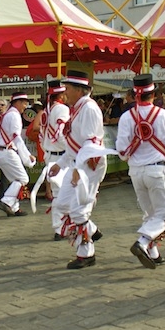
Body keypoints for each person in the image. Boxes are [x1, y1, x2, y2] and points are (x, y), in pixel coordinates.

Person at [116, 74, 165, 269]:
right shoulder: (164, 115)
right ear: (154, 94)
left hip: (135, 172)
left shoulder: (126, 117)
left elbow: (122, 153)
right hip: (156, 171)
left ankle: (154, 253)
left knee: (150, 213)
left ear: (135, 95)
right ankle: (142, 242)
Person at [48, 71, 107, 270]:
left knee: (78, 210)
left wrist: (79, 169)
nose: (65, 93)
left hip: (89, 165)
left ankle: (86, 253)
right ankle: (91, 230)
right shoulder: (76, 109)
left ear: (79, 90)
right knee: (62, 205)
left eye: (68, 89)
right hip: (77, 163)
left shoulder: (89, 109)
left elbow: (91, 143)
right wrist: (61, 164)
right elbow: (74, 145)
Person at [0, 92, 35, 216]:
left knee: (15, 180)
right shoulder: (14, 116)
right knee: (23, 179)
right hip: (6, 151)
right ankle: (6, 201)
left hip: (0, 150)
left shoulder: (8, 114)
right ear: (17, 102)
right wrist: (27, 157)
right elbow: (17, 138)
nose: (25, 106)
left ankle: (15, 207)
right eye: (24, 103)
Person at [38, 80, 70, 240]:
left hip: (50, 155)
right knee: (66, 193)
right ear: (61, 95)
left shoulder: (46, 111)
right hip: (61, 156)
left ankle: (61, 226)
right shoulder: (62, 109)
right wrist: (72, 147)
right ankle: (63, 227)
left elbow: (41, 135)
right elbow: (60, 133)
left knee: (59, 194)